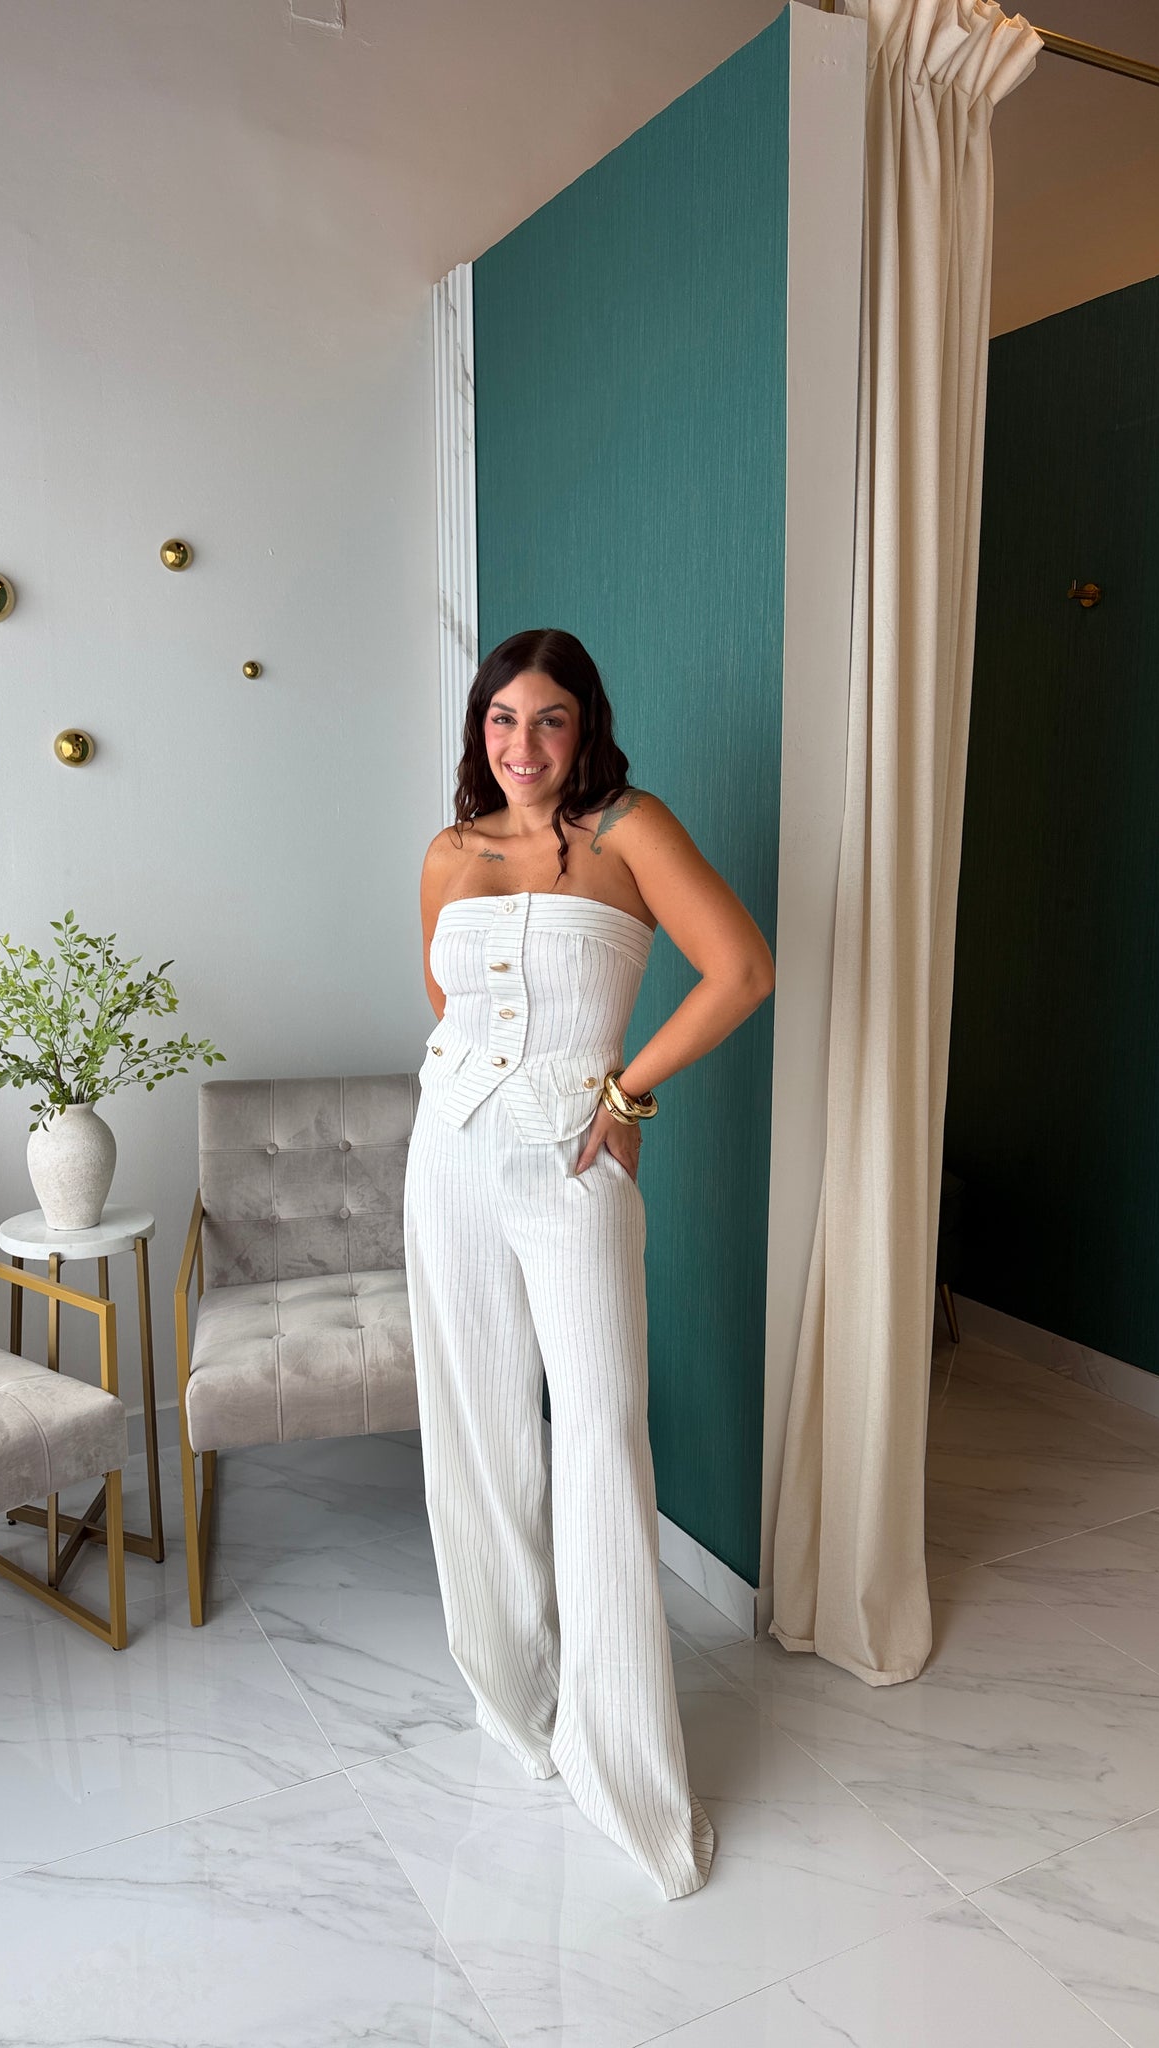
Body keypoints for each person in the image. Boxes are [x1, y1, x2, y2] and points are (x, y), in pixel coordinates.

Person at [403, 627, 775, 1899]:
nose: (524, 744)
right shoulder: (449, 851)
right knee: (476, 1424)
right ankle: (517, 1694)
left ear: (585, 725)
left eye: (549, 718)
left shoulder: (629, 829)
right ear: (481, 728)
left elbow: (741, 970)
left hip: (572, 1165)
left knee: (602, 1433)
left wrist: (624, 1092)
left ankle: (620, 1755)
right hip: (449, 1155)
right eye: (503, 718)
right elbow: (449, 1008)